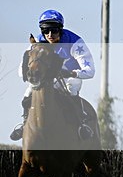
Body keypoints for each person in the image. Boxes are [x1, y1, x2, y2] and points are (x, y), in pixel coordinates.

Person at [10, 9, 96, 141]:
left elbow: (90, 71)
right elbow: (21, 69)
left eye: (54, 31)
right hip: (48, 78)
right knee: (28, 93)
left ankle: (82, 124)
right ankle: (24, 124)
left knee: (70, 89)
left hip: (70, 76)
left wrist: (71, 73)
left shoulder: (75, 42)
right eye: (45, 31)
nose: (50, 35)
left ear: (60, 29)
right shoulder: (38, 42)